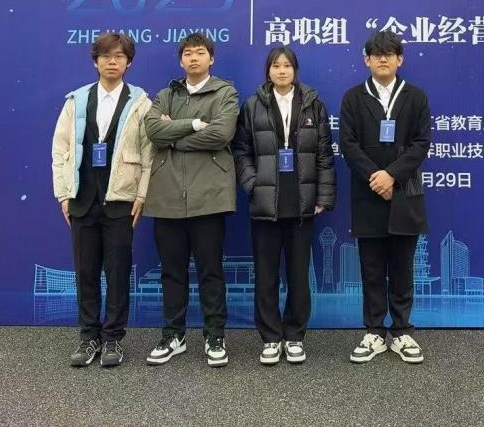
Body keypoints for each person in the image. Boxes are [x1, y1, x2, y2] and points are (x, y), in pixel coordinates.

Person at [51, 31, 153, 368]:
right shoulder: (76, 100)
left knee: (118, 272)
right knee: (86, 272)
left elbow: (150, 155)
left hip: (121, 201)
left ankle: (113, 339)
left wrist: (141, 195)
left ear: (129, 63)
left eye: (119, 56)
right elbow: (60, 150)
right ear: (96, 62)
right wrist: (63, 194)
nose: (112, 62)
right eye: (106, 56)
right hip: (82, 200)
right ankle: (88, 337)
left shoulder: (140, 102)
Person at [233, 45, 335, 365]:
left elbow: (324, 154)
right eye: (276, 66)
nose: (281, 71)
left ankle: (294, 336)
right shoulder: (253, 105)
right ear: (268, 71)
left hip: (301, 202)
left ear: (295, 70)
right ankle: (269, 338)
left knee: (298, 275)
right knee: (266, 275)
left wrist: (323, 197)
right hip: (266, 202)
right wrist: (253, 185)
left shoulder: (313, 104)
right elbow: (241, 151)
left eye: (287, 65)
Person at [143, 33, 239, 368]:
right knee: (172, 272)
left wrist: (175, 137)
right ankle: (173, 335)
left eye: (200, 53)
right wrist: (195, 124)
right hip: (167, 195)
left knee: (211, 272)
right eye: (187, 53)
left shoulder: (225, 92)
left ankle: (215, 336)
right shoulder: (166, 94)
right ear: (180, 60)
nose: (193, 58)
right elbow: (153, 131)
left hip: (209, 197)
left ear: (211, 58)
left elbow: (221, 134)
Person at [339, 30, 431, 364]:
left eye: (389, 54)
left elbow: (421, 143)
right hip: (367, 194)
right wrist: (375, 177)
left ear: (399, 60)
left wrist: (392, 175)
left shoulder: (415, 97)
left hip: (404, 193)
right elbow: (348, 145)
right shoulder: (353, 98)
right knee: (372, 269)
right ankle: (375, 332)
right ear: (366, 60)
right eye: (376, 54)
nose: (382, 59)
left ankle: (402, 331)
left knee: (403, 268)